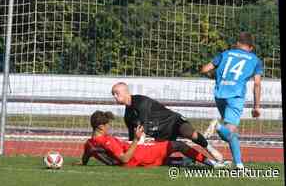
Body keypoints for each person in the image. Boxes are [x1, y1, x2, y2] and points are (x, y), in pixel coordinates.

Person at [111, 82, 225, 164]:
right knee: (159, 157)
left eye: (116, 93)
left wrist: (140, 146)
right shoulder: (127, 115)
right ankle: (187, 160)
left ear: (126, 92)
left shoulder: (141, 102)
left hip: (172, 121)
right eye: (113, 94)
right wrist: (130, 151)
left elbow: (143, 128)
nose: (115, 96)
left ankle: (210, 149)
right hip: (160, 133)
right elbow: (133, 137)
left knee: (189, 132)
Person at [73, 110, 224, 168]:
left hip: (139, 158)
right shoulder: (106, 141)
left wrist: (80, 163)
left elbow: (86, 156)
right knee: (178, 145)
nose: (108, 127)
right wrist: (136, 140)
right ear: (100, 126)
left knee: (165, 159)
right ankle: (212, 164)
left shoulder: (89, 143)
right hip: (139, 155)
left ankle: (185, 162)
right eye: (107, 125)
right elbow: (124, 159)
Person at [201, 32, 263, 169]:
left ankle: (239, 165)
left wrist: (216, 77)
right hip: (235, 96)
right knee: (228, 131)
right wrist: (256, 107)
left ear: (237, 44)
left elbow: (205, 69)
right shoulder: (255, 60)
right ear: (251, 47)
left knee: (231, 132)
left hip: (219, 94)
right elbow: (257, 84)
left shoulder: (225, 54)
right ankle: (216, 126)